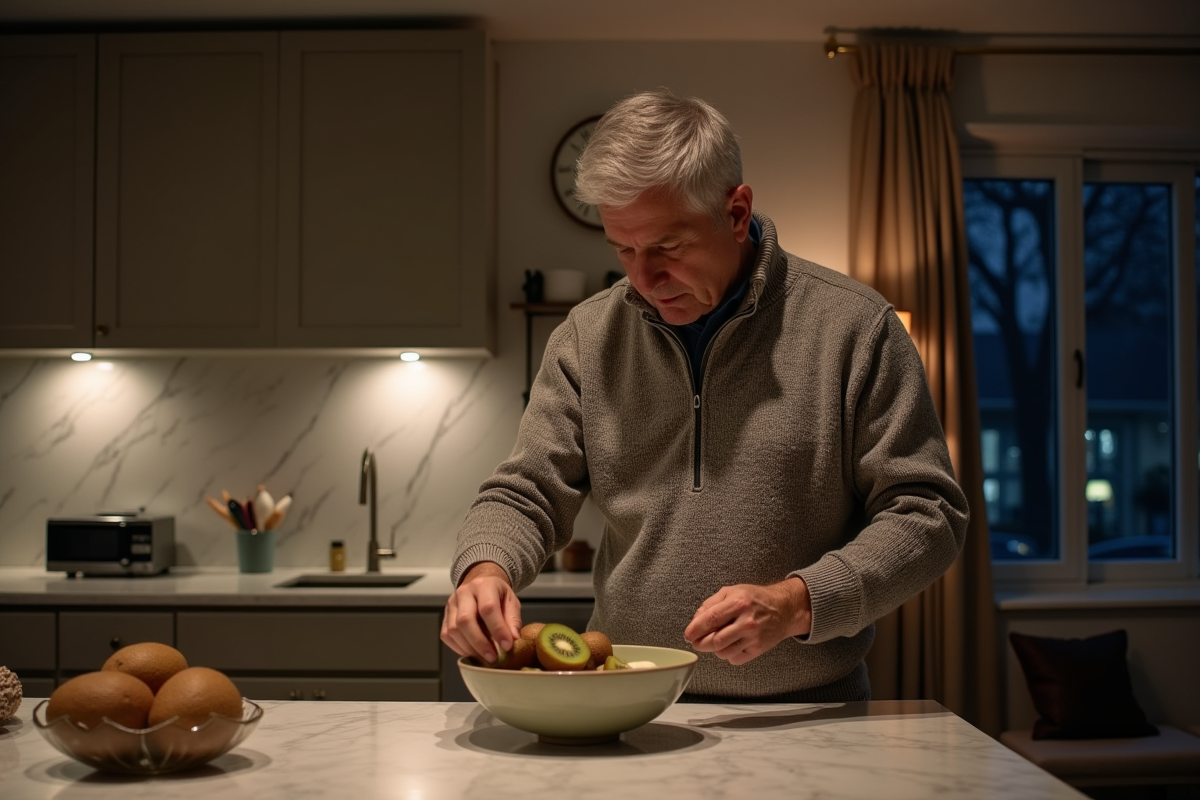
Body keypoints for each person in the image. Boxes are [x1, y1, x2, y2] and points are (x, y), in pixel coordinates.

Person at [441, 89, 969, 702]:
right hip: (626, 702)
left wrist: (798, 602)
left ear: (736, 212)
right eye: (624, 249)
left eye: (668, 247)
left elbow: (927, 513)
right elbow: (527, 491)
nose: (643, 278)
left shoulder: (856, 327)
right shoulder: (587, 337)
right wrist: (485, 568)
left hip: (808, 711)